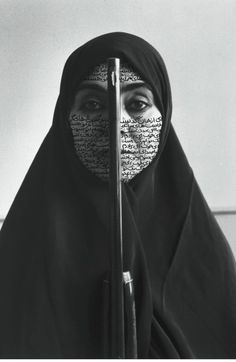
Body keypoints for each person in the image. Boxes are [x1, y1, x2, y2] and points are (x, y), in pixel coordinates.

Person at [0, 32, 236, 358]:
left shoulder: (201, 251)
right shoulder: (22, 247)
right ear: (65, 117)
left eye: (137, 104)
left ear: (163, 114)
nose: (116, 123)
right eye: (93, 104)